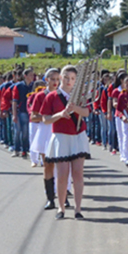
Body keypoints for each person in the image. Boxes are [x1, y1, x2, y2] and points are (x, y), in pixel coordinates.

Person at [40, 65, 90, 219]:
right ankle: (61, 208)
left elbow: (87, 112)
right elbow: (45, 119)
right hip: (61, 137)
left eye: (73, 79)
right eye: (66, 77)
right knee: (62, 174)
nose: (69, 81)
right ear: (61, 77)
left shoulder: (80, 96)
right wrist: (60, 114)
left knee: (78, 174)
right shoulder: (51, 97)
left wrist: (75, 108)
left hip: (78, 136)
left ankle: (78, 209)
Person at [33, 68, 60, 209]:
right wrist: (45, 117)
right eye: (52, 79)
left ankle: (63, 195)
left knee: (62, 165)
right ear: (47, 80)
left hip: (60, 131)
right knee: (48, 165)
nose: (55, 82)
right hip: (45, 131)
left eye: (57, 79)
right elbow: (33, 116)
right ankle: (50, 198)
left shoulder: (62, 95)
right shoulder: (40, 96)